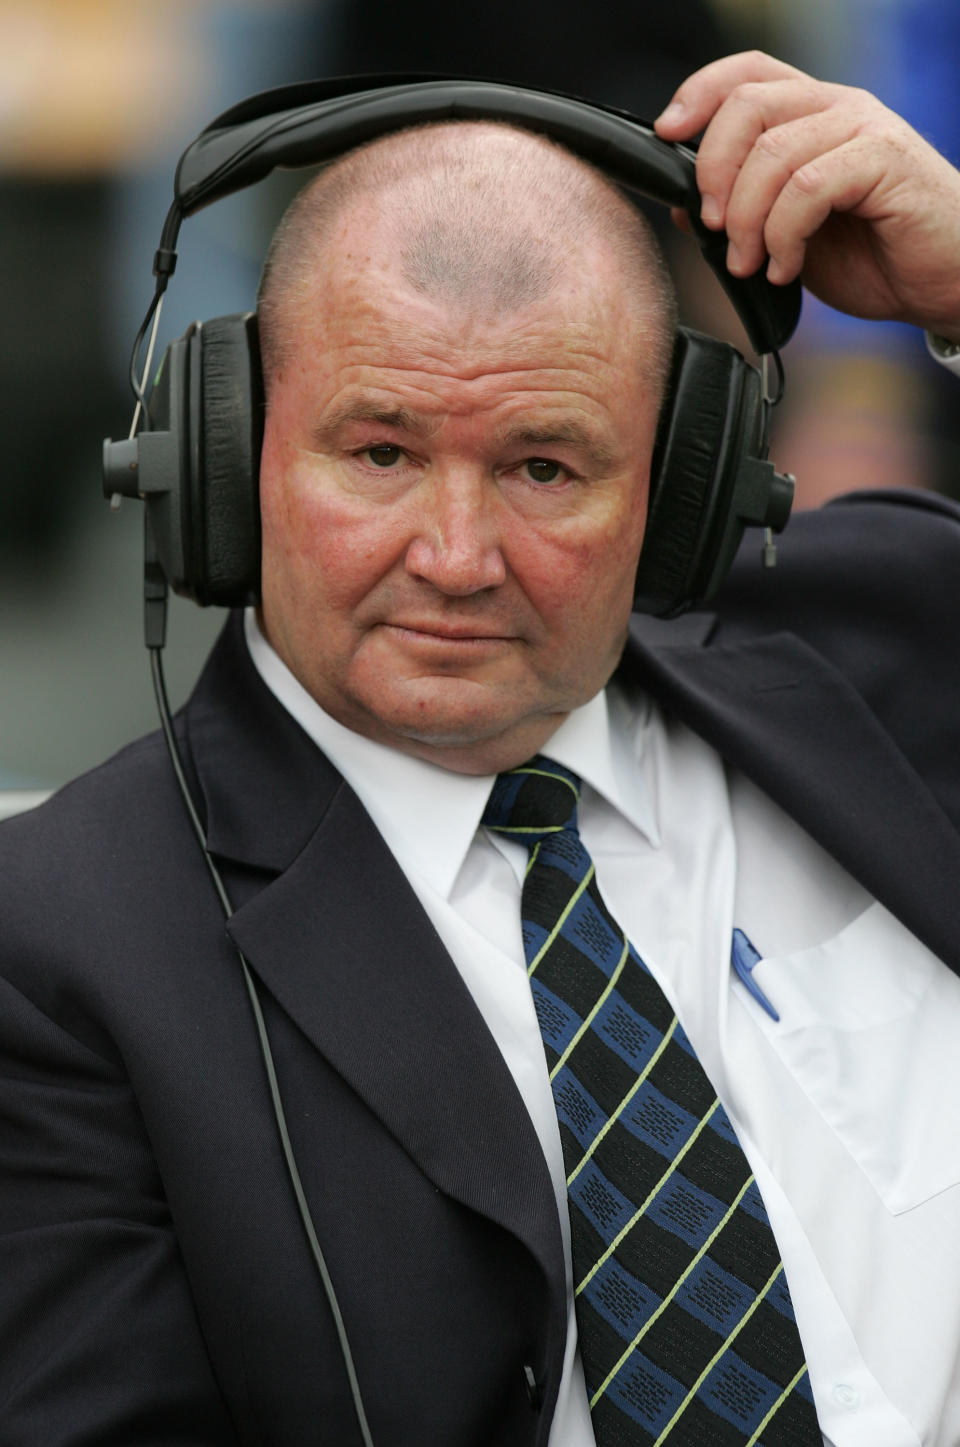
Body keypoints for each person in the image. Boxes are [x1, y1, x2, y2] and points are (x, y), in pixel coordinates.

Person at [3, 48, 960, 1447]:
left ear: (683, 485)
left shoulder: (895, 637)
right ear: (228, 453)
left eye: (545, 467)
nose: (456, 559)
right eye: (380, 453)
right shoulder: (53, 951)